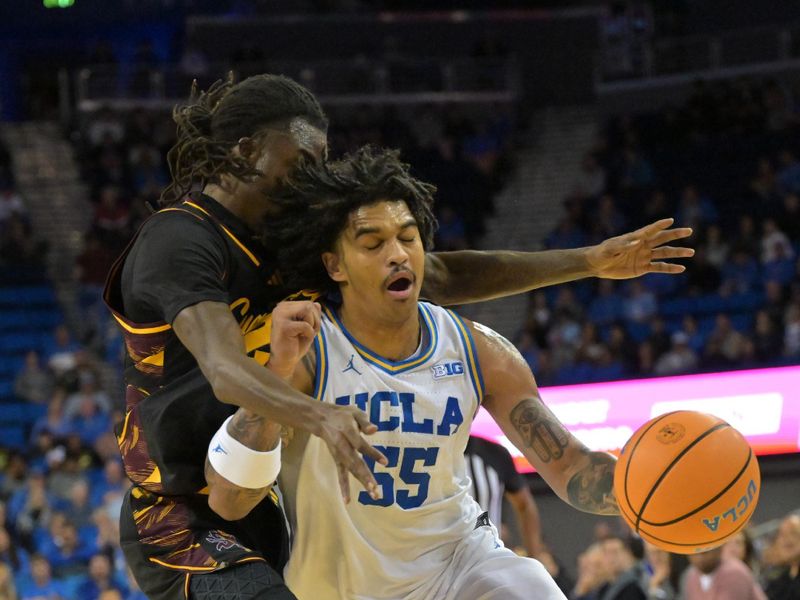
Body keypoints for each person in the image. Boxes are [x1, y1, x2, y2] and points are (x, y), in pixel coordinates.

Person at [106, 73, 693, 599]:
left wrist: (590, 260)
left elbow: (443, 273)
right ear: (246, 153)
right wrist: (321, 416)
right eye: (303, 161)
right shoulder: (181, 239)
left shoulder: (298, 246)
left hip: (264, 500)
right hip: (178, 509)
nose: (314, 175)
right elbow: (226, 369)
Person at [246, 146, 629, 599]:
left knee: (531, 587)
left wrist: (641, 492)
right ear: (335, 265)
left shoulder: (479, 351)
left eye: (408, 238)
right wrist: (275, 378)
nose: (398, 255)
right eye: (373, 244)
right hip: (339, 586)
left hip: (457, 567)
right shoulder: (309, 349)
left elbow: (570, 467)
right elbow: (233, 491)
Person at [464, 435, 544, 557]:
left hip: (488, 560)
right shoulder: (429, 454)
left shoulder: (493, 453)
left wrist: (534, 558)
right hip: (436, 564)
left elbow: (524, 505)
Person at [681, 546, 766, 600]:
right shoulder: (691, 576)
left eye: (704, 553)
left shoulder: (735, 572)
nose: (699, 558)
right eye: (693, 554)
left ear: (719, 549)